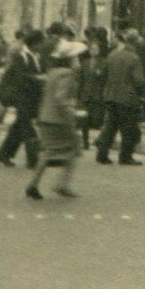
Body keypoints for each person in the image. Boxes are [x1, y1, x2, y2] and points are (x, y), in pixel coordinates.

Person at [26, 40, 89, 200]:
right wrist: (74, 113)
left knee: (50, 151)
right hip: (59, 121)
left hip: (46, 117)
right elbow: (61, 99)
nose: (78, 61)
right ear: (71, 59)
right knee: (73, 148)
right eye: (76, 58)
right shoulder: (66, 75)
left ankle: (35, 184)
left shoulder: (53, 72)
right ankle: (61, 184)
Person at [0, 30, 46, 169]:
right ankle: (32, 160)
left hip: (30, 97)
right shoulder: (21, 56)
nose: (42, 45)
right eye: (41, 43)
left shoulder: (35, 57)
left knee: (19, 126)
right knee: (27, 128)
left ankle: (4, 154)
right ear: (34, 44)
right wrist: (38, 79)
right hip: (20, 96)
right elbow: (20, 78)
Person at [96, 28, 145, 166]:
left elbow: (102, 75)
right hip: (127, 98)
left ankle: (102, 154)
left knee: (110, 126)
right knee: (128, 128)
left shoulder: (112, 56)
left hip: (110, 95)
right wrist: (139, 94)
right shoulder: (134, 59)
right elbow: (139, 81)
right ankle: (125, 156)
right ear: (134, 44)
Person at [0, 29, 26, 133]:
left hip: (9, 74)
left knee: (6, 99)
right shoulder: (19, 47)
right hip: (12, 75)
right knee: (9, 99)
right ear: (21, 37)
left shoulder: (14, 44)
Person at [76, 35, 108, 150]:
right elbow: (81, 80)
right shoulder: (84, 63)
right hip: (86, 95)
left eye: (96, 49)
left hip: (98, 95)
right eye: (92, 49)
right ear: (89, 50)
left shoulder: (104, 63)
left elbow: (105, 80)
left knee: (97, 119)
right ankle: (85, 142)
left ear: (99, 50)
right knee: (84, 121)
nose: (94, 51)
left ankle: (100, 140)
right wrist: (79, 96)